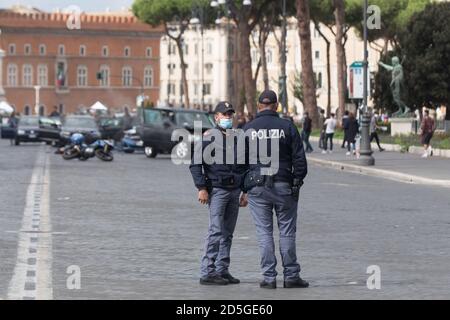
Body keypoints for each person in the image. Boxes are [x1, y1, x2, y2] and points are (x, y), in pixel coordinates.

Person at [242, 90, 309, 289]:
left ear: (258, 105)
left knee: (264, 233)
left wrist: (243, 188)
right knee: (287, 232)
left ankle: (269, 278)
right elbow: (299, 159)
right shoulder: (287, 126)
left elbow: (239, 162)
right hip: (283, 184)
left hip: (256, 186)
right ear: (276, 105)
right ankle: (291, 276)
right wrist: (296, 181)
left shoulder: (249, 128)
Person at [189, 101, 247, 286]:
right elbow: (196, 164)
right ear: (217, 118)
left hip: (234, 190)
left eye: (230, 115)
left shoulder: (237, 137)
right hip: (218, 190)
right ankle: (207, 271)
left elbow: (244, 165)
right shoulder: (208, 138)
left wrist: (245, 190)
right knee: (215, 231)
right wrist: (201, 188)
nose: (228, 118)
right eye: (225, 115)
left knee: (228, 233)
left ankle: (222, 269)